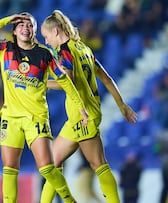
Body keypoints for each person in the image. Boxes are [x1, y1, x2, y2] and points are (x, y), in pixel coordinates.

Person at [0, 12, 88, 203]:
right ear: (14, 30)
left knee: (46, 168)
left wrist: (80, 106)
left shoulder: (44, 54)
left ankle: (69, 200)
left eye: (29, 25)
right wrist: (6, 19)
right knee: (9, 167)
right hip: (10, 119)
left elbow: (66, 82)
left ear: (35, 30)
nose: (25, 28)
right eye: (21, 24)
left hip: (36, 118)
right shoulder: (5, 49)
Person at [39, 10, 138, 203]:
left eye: (46, 36)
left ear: (57, 32)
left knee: (98, 164)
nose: (47, 41)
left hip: (84, 116)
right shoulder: (83, 48)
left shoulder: (65, 51)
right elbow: (107, 79)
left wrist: (41, 83)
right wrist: (121, 105)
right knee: (52, 164)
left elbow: (65, 81)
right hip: (79, 116)